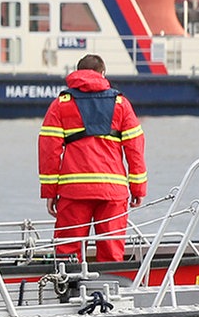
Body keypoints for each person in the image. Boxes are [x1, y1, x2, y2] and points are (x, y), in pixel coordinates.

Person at [38, 54, 147, 262]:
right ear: (103, 73)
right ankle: (112, 291)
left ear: (77, 72)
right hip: (112, 190)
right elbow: (135, 148)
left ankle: (69, 293)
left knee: (68, 254)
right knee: (111, 253)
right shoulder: (121, 104)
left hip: (74, 190)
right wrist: (138, 187)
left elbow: (48, 150)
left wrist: (50, 191)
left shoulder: (61, 104)